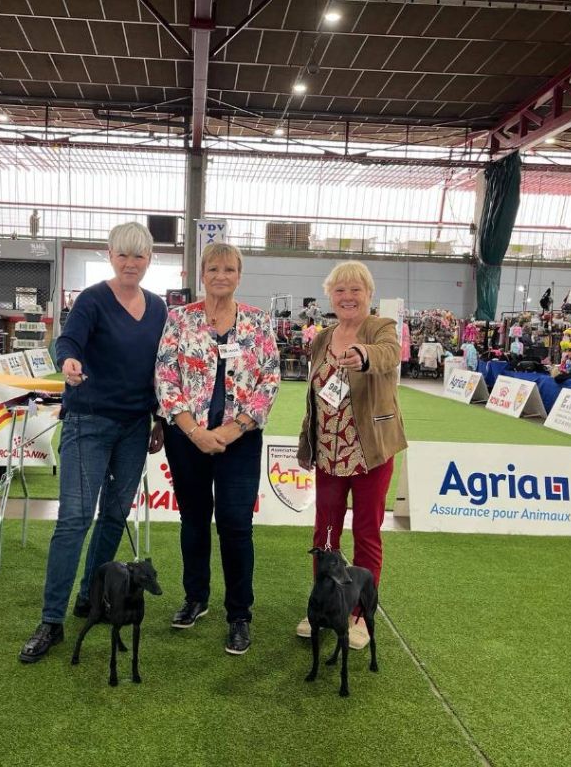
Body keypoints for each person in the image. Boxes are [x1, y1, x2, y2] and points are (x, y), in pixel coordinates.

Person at [19, 222, 168, 664]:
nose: (130, 263)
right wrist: (68, 360)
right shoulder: (92, 299)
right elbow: (66, 341)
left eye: (138, 256)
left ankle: (93, 595)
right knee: (75, 519)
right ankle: (51, 620)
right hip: (88, 420)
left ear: (148, 261)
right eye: (123, 255)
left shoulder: (158, 308)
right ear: (110, 255)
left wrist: (159, 417)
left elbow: (163, 368)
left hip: (135, 427)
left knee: (114, 515)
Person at [155, 242, 280, 656]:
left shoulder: (259, 324)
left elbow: (269, 382)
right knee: (193, 519)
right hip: (187, 437)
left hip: (239, 441)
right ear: (202, 273)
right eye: (213, 268)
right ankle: (195, 598)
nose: (221, 275)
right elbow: (166, 377)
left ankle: (239, 614)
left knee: (235, 525)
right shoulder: (179, 320)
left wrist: (229, 432)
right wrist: (194, 431)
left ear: (239, 275)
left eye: (229, 269)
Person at [296, 261, 407, 650]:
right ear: (330, 296)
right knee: (325, 533)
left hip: (370, 450)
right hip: (329, 451)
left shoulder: (381, 329)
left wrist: (363, 354)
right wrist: (306, 442)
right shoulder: (322, 339)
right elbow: (314, 397)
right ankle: (323, 606)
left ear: (368, 294)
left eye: (355, 290)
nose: (347, 297)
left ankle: (360, 613)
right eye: (340, 290)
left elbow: (389, 354)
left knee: (365, 532)